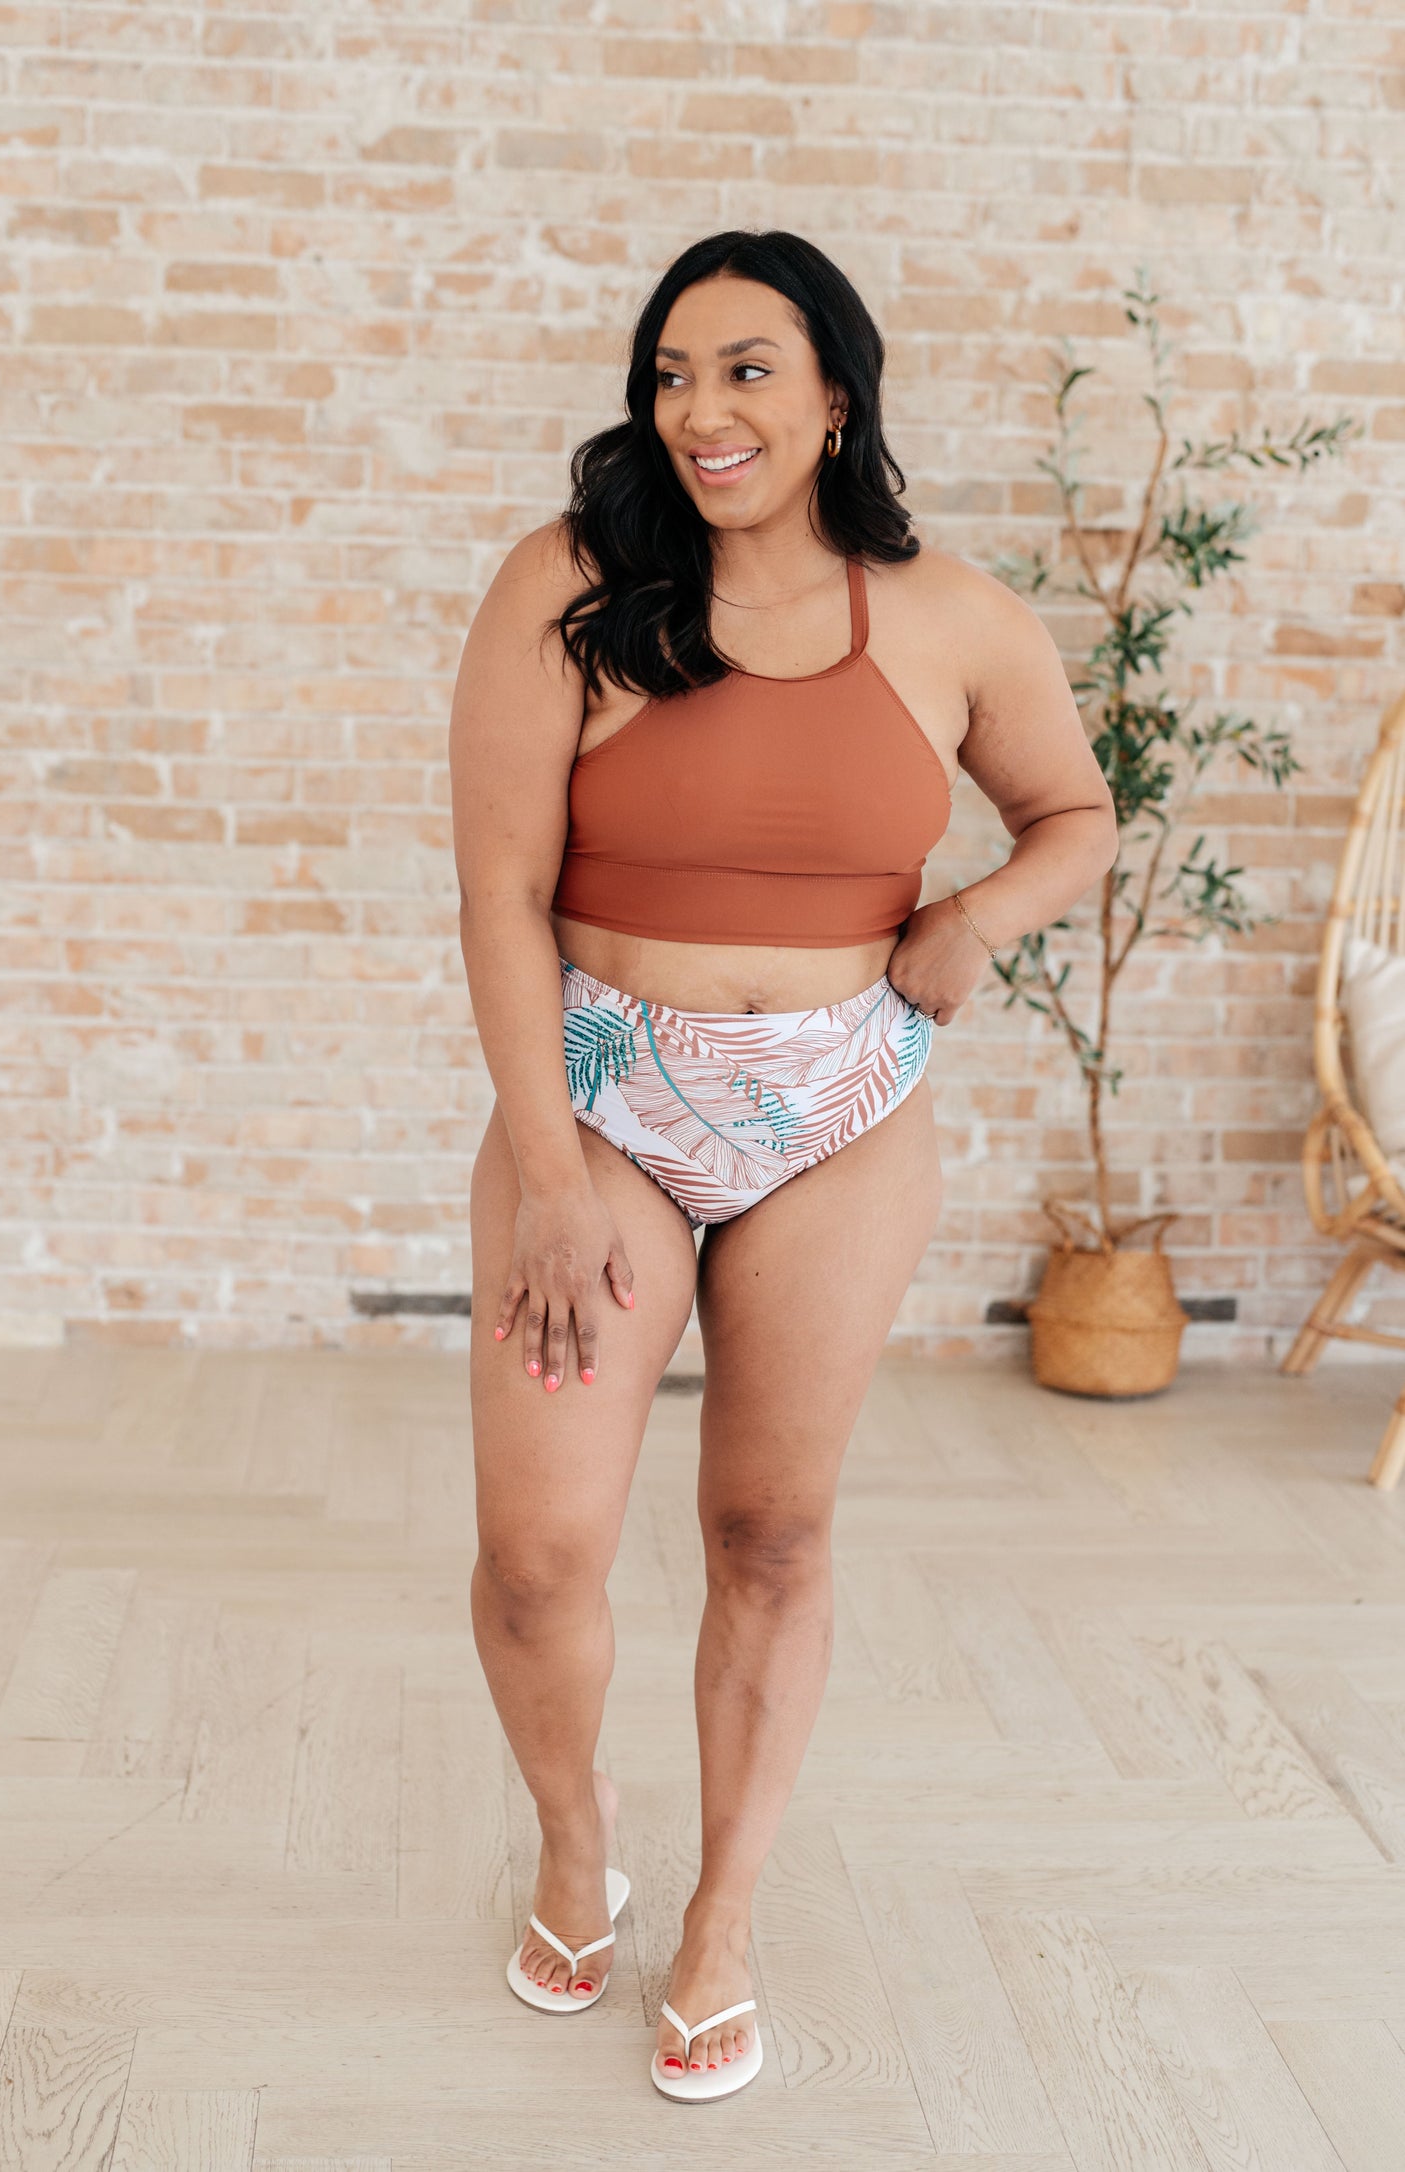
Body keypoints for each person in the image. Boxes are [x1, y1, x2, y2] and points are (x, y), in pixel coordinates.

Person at [450, 228, 1117, 2103]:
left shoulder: (952, 618)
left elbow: (1075, 812)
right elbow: (495, 892)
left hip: (839, 1110)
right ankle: (574, 1842)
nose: (700, 410)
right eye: (670, 374)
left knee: (770, 1532)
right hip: (600, 1099)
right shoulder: (569, 585)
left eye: (745, 368)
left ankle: (723, 1919)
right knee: (537, 1554)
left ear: (835, 398)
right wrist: (551, 1176)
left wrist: (974, 918)